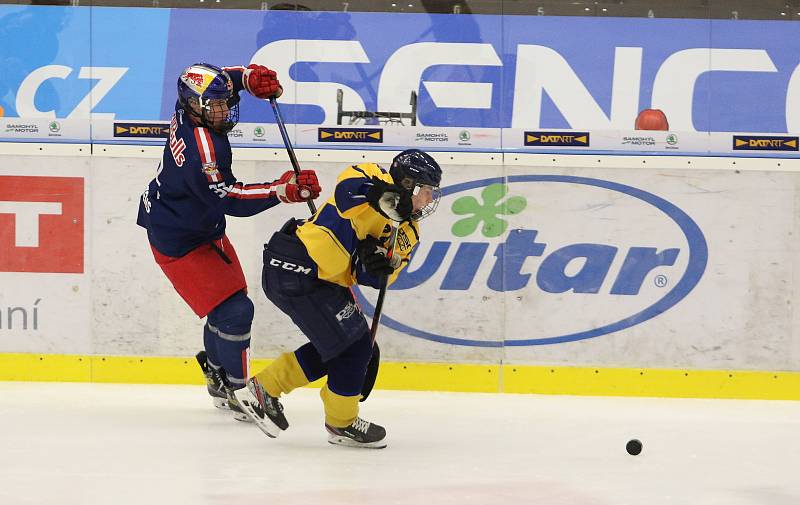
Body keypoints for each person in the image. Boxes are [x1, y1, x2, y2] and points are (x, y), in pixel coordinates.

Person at [136, 63, 321, 430]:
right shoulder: (201, 148)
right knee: (235, 311)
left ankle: (218, 374)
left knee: (230, 304)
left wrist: (249, 78)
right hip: (179, 238)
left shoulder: (190, 108)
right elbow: (230, 198)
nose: (224, 110)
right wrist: (281, 190)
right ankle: (239, 390)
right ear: (193, 106)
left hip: (195, 224)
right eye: (215, 105)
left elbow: (222, 76)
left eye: (224, 102)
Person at [248, 149, 442, 448]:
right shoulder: (371, 173)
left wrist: (375, 266)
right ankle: (341, 423)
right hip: (296, 266)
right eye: (425, 191)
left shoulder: (408, 230)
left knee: (348, 347)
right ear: (406, 184)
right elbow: (345, 193)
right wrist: (381, 195)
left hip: (320, 279)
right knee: (353, 350)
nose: (429, 200)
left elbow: (383, 277)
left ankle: (266, 387)